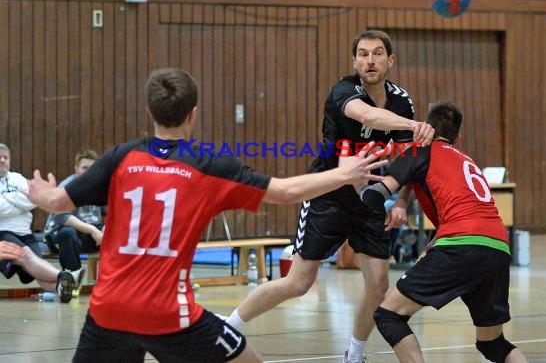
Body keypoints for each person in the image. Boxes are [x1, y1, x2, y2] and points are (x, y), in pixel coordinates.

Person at [26, 67, 387, 363]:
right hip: (169, 314)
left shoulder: (121, 158)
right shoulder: (208, 165)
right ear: (193, 113)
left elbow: (58, 202)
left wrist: (41, 194)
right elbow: (285, 192)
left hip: (108, 310)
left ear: (150, 111)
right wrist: (345, 174)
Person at [225, 29, 434, 363]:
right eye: (363, 54)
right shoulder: (345, 89)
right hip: (328, 193)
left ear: (390, 60)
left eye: (378, 53)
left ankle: (355, 352)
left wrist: (402, 201)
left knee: (379, 284)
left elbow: (408, 158)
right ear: (355, 61)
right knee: (298, 283)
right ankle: (230, 325)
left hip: (370, 199)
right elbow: (366, 116)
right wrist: (413, 125)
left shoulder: (400, 101)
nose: (370, 60)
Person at [358, 101, 529, 363]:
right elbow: (439, 191)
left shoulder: (420, 150)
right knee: (493, 343)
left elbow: (377, 193)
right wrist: (405, 202)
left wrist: (354, 208)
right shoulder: (466, 160)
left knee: (389, 315)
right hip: (498, 247)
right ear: (457, 137)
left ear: (425, 128)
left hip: (461, 245)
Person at [0, 143, 80, 303]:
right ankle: (66, 276)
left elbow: (33, 200)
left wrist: (9, 198)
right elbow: (2, 210)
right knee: (26, 255)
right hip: (3, 234)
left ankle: (60, 287)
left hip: (25, 233)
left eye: (5, 157)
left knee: (37, 267)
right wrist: (20, 201)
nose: (2, 160)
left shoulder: (18, 178)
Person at [44, 149, 103, 290]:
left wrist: (107, 228)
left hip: (87, 235)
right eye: (84, 168)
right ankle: (72, 282)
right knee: (68, 232)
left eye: (92, 168)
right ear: (76, 168)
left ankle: (112, 283)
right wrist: (93, 229)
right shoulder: (67, 187)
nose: (89, 172)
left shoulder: (99, 186)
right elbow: (64, 217)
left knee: (116, 233)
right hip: (59, 236)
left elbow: (111, 211)